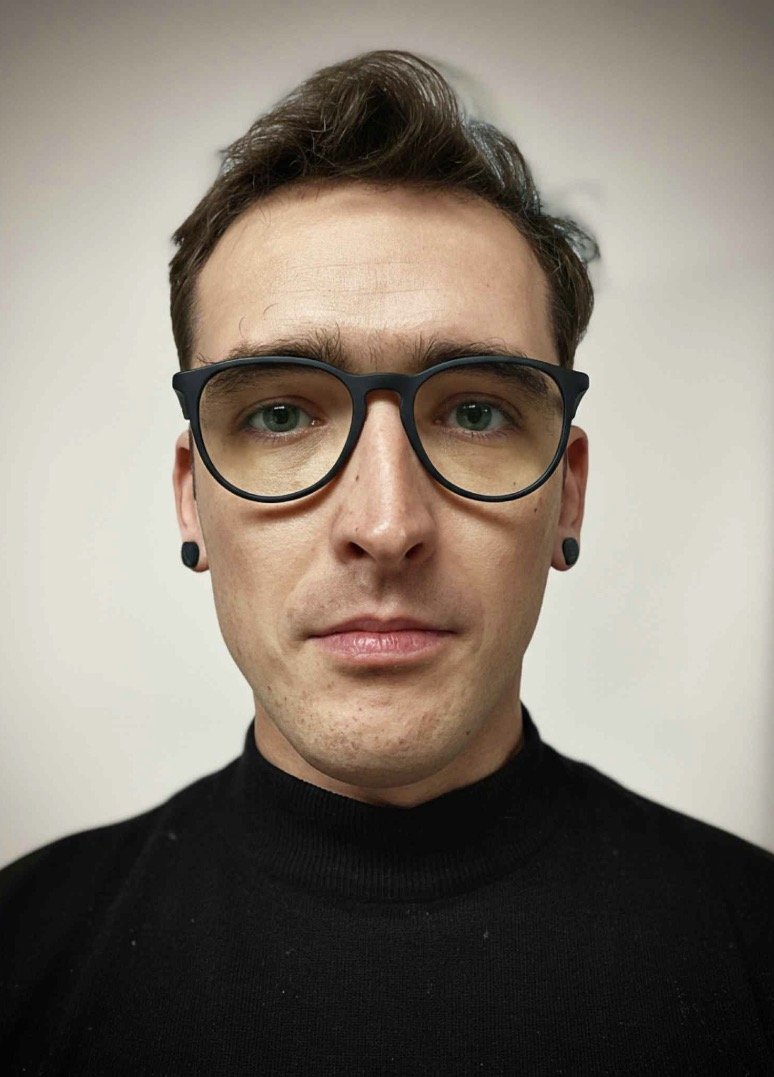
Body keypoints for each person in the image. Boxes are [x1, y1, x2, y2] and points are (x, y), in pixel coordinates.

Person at [1, 48, 772, 1075]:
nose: (386, 522)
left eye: (475, 412)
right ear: (192, 496)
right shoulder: (20, 957)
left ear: (568, 492)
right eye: (282, 414)